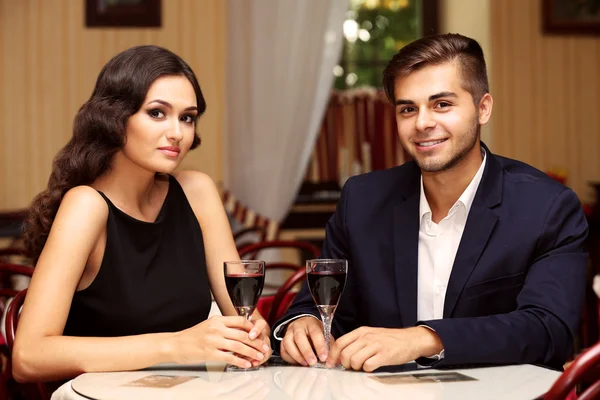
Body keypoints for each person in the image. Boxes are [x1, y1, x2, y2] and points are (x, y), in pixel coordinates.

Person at [272, 33, 588, 372]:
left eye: (442, 104)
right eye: (408, 109)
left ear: (483, 108)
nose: (422, 123)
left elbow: (548, 329)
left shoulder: (547, 207)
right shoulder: (361, 201)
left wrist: (425, 338)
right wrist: (302, 324)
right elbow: (319, 306)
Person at [13, 45, 271, 383]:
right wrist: (176, 346)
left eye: (187, 117)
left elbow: (240, 311)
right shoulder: (86, 206)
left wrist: (253, 333)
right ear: (114, 118)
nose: (177, 133)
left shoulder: (197, 192)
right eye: (157, 113)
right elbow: (29, 357)